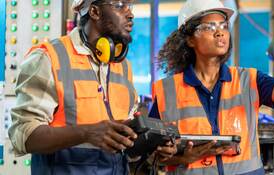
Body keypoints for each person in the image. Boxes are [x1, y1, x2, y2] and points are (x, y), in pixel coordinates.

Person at [149, 0, 274, 174]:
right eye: (209, 27)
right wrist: (183, 158)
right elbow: (150, 153)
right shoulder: (168, 90)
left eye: (223, 26)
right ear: (190, 39)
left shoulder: (249, 79)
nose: (220, 32)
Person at [8, 0, 176, 174]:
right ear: (95, 12)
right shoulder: (49, 58)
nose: (130, 14)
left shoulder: (123, 67)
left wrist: (151, 146)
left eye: (130, 6)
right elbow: (23, 136)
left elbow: (125, 147)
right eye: (119, 5)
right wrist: (86, 133)